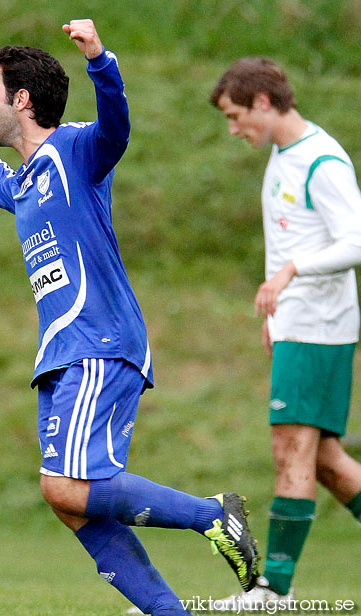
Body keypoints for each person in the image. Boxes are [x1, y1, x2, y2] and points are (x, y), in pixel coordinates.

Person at [0, 19, 258, 614]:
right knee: (70, 502)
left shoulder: (76, 149)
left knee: (64, 485)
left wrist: (101, 60)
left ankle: (214, 516)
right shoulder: (26, 180)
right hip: (64, 351)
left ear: (20, 100)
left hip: (99, 341)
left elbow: (116, 131)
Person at [210, 57, 361, 605]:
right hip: (299, 325)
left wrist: (291, 276)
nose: (234, 130)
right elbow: (289, 242)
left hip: (322, 326)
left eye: (235, 116)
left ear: (265, 103)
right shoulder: (282, 155)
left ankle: (273, 591)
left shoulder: (322, 160)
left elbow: (355, 241)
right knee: (324, 462)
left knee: (290, 450)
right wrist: (279, 314)